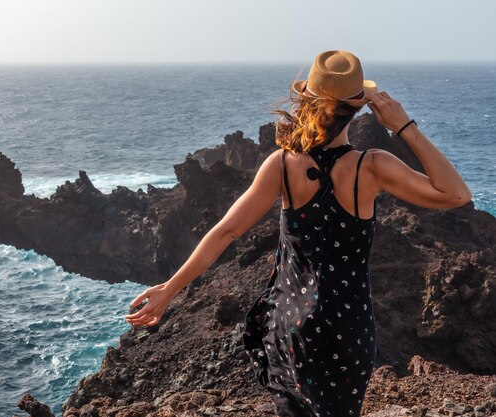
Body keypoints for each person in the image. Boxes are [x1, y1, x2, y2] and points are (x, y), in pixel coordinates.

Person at [124, 50, 472, 417]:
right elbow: (456, 194)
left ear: (307, 99)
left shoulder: (282, 164)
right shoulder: (372, 167)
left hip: (290, 325)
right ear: (359, 108)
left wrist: (170, 289)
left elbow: (226, 231)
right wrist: (404, 126)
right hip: (347, 328)